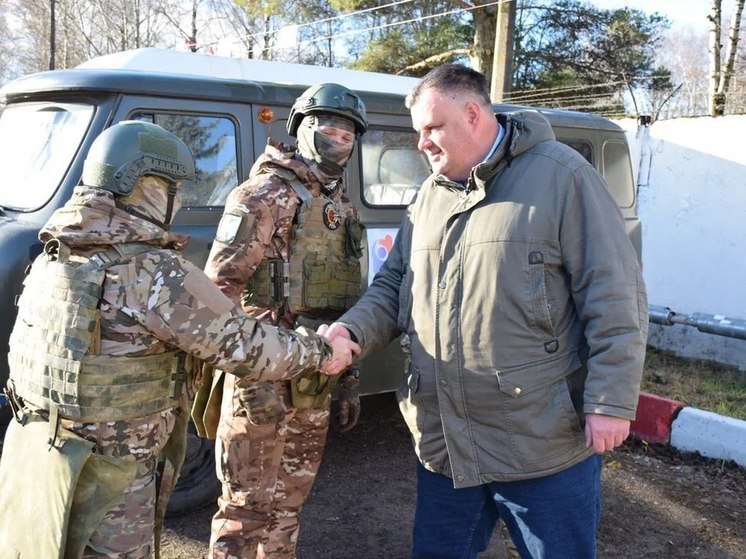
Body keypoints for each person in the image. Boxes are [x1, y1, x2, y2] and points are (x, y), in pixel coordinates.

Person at [322, 64, 649, 559]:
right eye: (417, 132)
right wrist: (351, 332)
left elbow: (615, 294)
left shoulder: (563, 177)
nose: (421, 144)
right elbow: (393, 285)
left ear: (474, 114)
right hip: (445, 443)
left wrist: (610, 401)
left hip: (541, 442)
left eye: (432, 128)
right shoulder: (429, 196)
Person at [0, 121, 356, 559]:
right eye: (172, 187)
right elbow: (246, 345)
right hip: (114, 472)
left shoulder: (53, 258)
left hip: (43, 459)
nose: (179, 200)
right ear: (142, 184)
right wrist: (322, 351)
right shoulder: (152, 273)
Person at [200, 83, 368, 559]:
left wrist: (350, 377)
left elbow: (344, 301)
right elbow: (219, 296)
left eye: (349, 131)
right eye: (328, 126)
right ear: (301, 128)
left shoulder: (341, 206)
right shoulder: (263, 195)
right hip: (261, 381)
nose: (340, 137)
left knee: (289, 504)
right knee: (243, 511)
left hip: (313, 380)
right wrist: (248, 379)